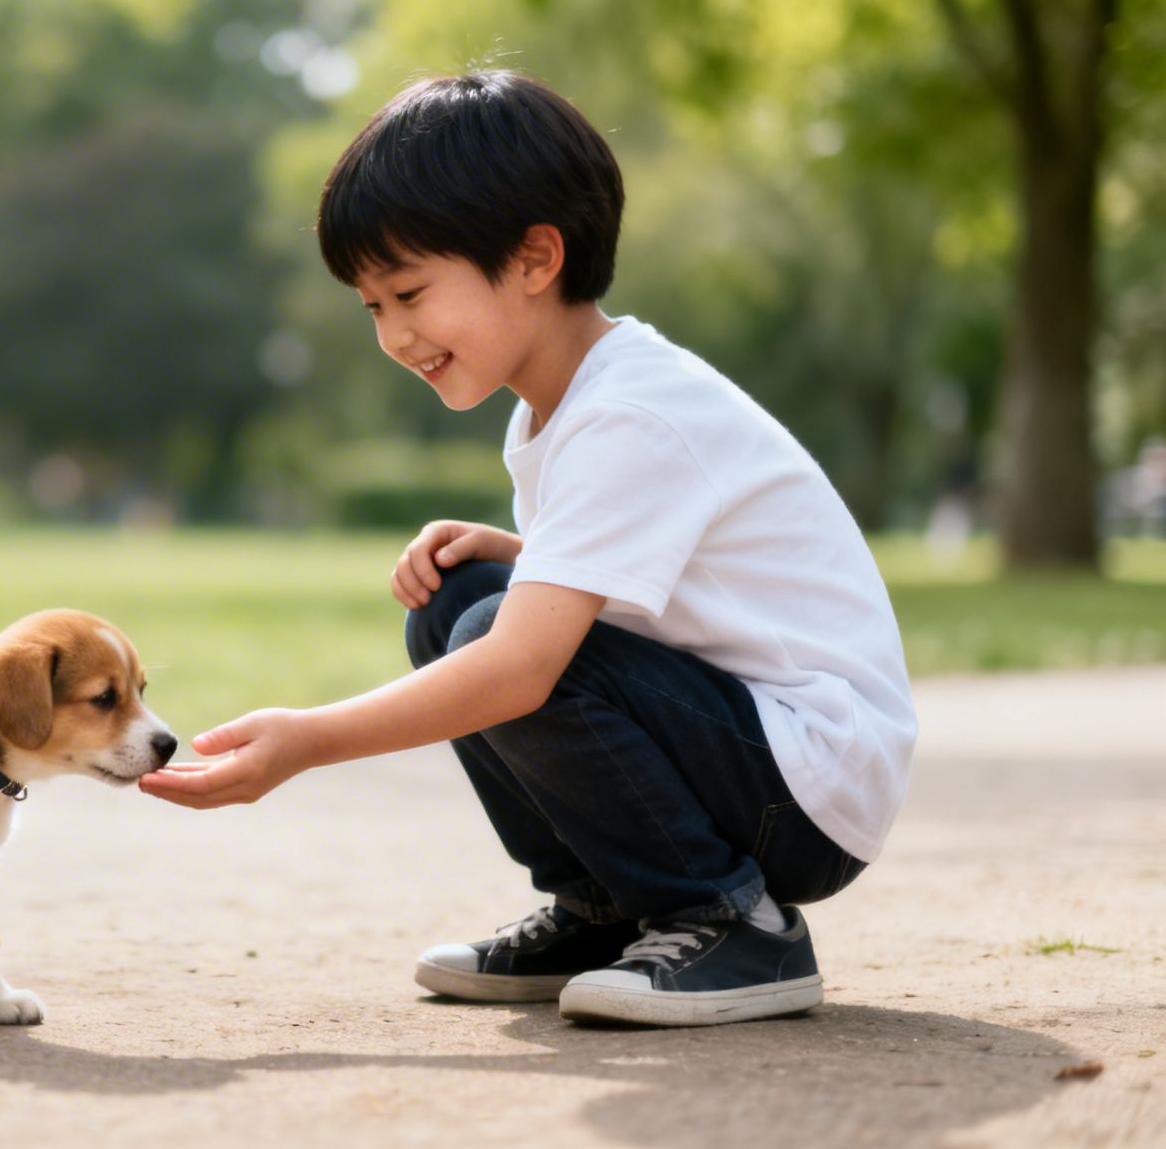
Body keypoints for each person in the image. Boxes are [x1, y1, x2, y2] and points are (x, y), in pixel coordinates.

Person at [138, 70, 917, 1028]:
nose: (394, 335)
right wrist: (518, 551)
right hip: (750, 753)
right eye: (373, 306)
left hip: (804, 791)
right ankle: (604, 907)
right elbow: (660, 587)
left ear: (535, 257)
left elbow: (522, 668)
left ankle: (732, 922)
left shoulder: (631, 409)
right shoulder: (559, 409)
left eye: (411, 292)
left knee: (495, 638)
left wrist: (309, 740)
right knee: (458, 596)